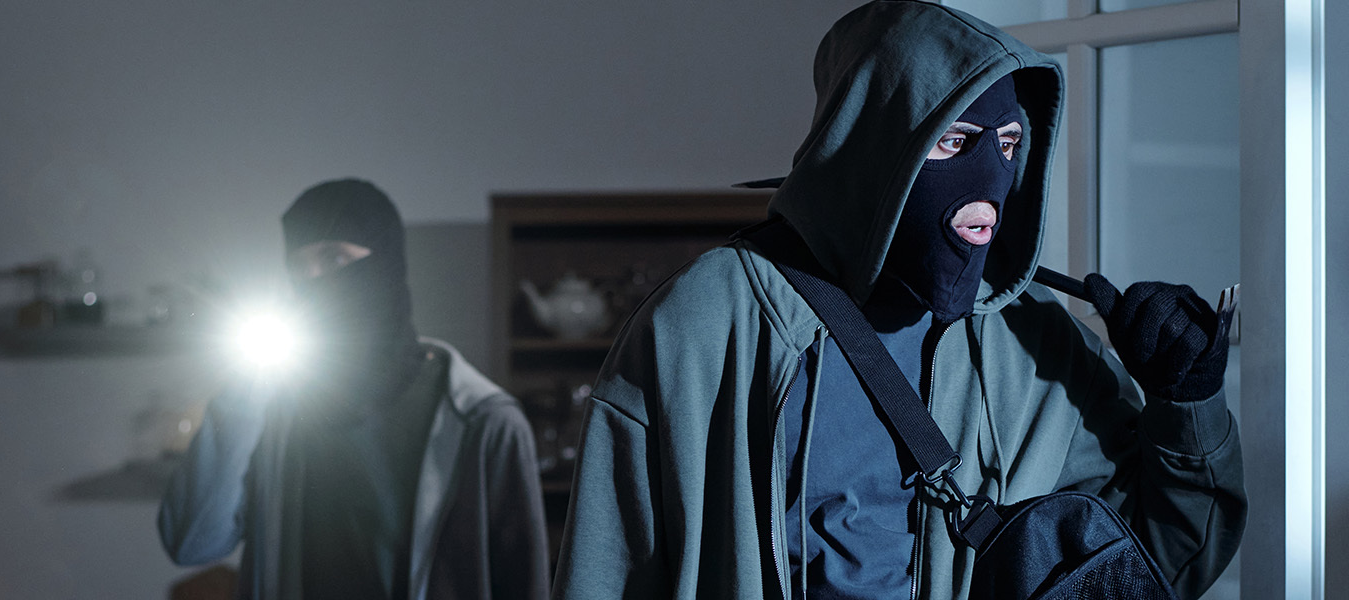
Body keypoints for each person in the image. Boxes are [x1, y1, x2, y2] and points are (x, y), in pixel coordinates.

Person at [551, 2, 1245, 600]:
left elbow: (1158, 566)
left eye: (1008, 145)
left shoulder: (1035, 343)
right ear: (871, 152)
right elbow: (605, 574)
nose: (989, 182)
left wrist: (1187, 405)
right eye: (954, 141)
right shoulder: (705, 323)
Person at [158, 178, 550, 600]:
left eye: (334, 258)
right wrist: (240, 398)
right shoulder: (273, 408)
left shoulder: (481, 420)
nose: (314, 281)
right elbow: (191, 543)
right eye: (299, 269)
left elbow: (523, 583)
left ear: (387, 263)